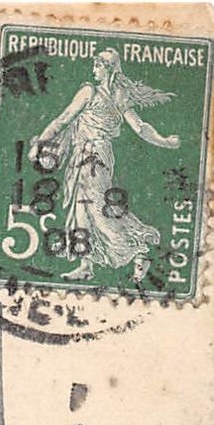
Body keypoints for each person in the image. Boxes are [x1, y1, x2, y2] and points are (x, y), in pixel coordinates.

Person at [34, 47, 181, 283]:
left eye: (98, 64)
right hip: (92, 154)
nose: (94, 68)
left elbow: (63, 120)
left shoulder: (90, 92)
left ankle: (139, 249)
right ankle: (86, 264)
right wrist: (164, 141)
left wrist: (40, 143)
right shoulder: (117, 94)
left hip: (92, 157)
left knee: (97, 208)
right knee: (82, 209)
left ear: (107, 68)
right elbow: (140, 128)